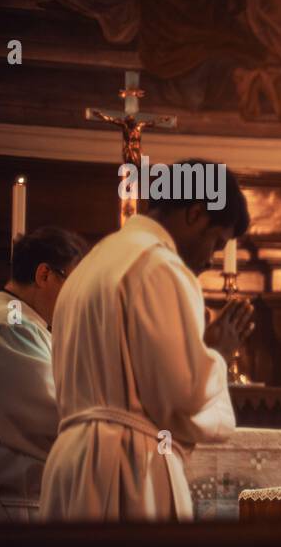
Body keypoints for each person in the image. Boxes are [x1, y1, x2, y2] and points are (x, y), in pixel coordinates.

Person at [40, 160, 255, 521]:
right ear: (196, 214)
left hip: (71, 463)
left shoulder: (92, 264)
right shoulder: (159, 266)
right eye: (216, 242)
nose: (211, 259)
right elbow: (177, 397)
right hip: (126, 469)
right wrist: (215, 353)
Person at [0, 227, 87, 521]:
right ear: (44, 275)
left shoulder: (14, 320)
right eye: (75, 285)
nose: (79, 299)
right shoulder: (10, 327)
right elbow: (58, 420)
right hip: (18, 514)